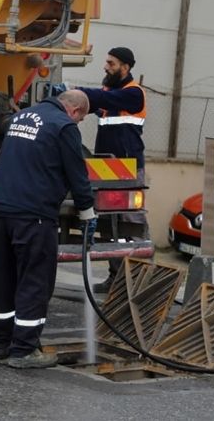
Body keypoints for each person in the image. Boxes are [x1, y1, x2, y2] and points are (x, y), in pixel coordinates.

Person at [0, 89, 97, 369]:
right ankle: (24, 350)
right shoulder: (63, 127)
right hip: (33, 214)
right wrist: (87, 213)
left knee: (2, 276)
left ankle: (1, 343)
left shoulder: (20, 117)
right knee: (35, 278)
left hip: (0, 210)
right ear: (74, 111)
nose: (79, 123)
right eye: (81, 119)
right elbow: (77, 173)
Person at [76, 46, 147, 294]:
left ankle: (138, 283)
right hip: (106, 170)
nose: (106, 66)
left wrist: (75, 92)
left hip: (128, 170)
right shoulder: (110, 93)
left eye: (111, 63)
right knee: (112, 229)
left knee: (132, 225)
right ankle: (116, 279)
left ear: (125, 67)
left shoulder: (133, 94)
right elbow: (97, 103)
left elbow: (101, 99)